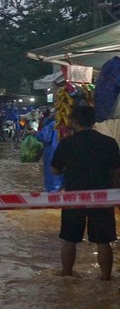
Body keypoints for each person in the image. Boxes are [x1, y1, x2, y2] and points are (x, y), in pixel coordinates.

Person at [50, 105, 120, 279]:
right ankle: (105, 278)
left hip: (74, 198)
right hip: (102, 198)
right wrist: (111, 191)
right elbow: (116, 172)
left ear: (74, 121)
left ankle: (67, 274)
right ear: (94, 121)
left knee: (70, 239)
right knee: (104, 241)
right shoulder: (109, 143)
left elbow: (55, 171)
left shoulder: (67, 142)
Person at [35, 110, 63, 193]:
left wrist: (36, 134)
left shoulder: (53, 124)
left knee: (52, 177)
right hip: (65, 154)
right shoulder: (71, 125)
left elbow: (45, 137)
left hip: (52, 154)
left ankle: (52, 197)